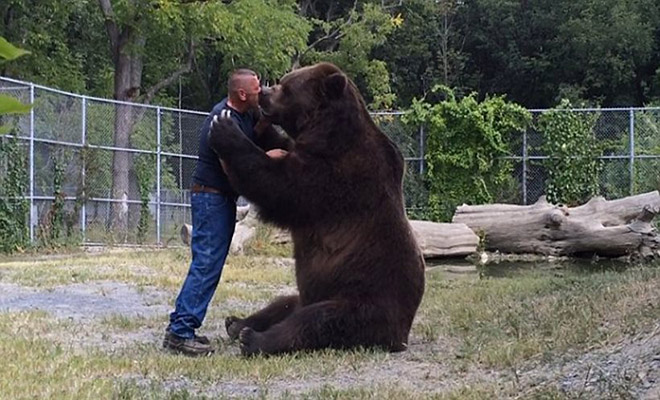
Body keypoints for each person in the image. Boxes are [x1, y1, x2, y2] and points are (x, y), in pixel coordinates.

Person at [163, 69, 290, 356]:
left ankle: (183, 328)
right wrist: (268, 158)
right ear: (242, 94)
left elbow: (255, 135)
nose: (264, 91)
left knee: (210, 265)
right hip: (211, 198)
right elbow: (233, 169)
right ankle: (180, 333)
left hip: (221, 199)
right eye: (258, 89)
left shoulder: (246, 115)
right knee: (206, 265)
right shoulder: (221, 122)